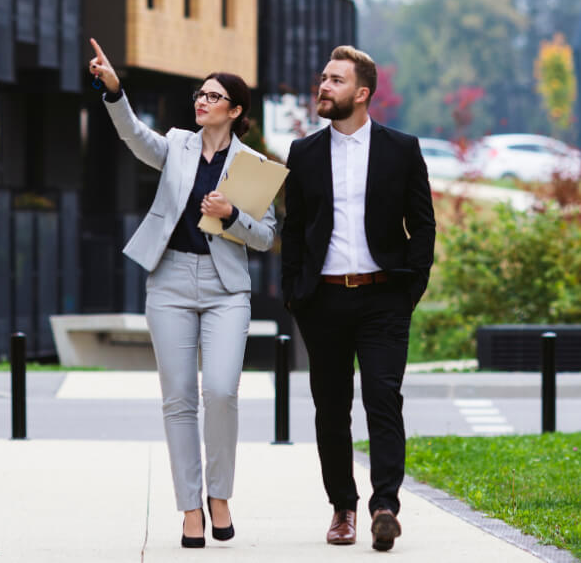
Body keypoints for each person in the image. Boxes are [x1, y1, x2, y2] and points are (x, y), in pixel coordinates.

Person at [88, 38, 278, 548]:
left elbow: (265, 237)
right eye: (200, 94)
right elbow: (133, 136)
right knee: (177, 401)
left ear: (236, 111)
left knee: (220, 391)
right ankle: (191, 508)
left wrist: (232, 216)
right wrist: (114, 90)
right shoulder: (176, 144)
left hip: (226, 289)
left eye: (214, 97)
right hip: (169, 279)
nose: (202, 101)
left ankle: (221, 495)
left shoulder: (255, 165)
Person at [280, 45, 435, 552]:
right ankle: (342, 508)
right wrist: (295, 294)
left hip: (383, 297)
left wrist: (409, 287)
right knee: (331, 408)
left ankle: (384, 505)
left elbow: (423, 226)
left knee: (383, 400)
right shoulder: (303, 153)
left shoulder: (401, 149)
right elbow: (296, 228)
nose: (323, 86)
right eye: (323, 78)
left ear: (362, 93)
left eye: (336, 80)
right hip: (322, 300)